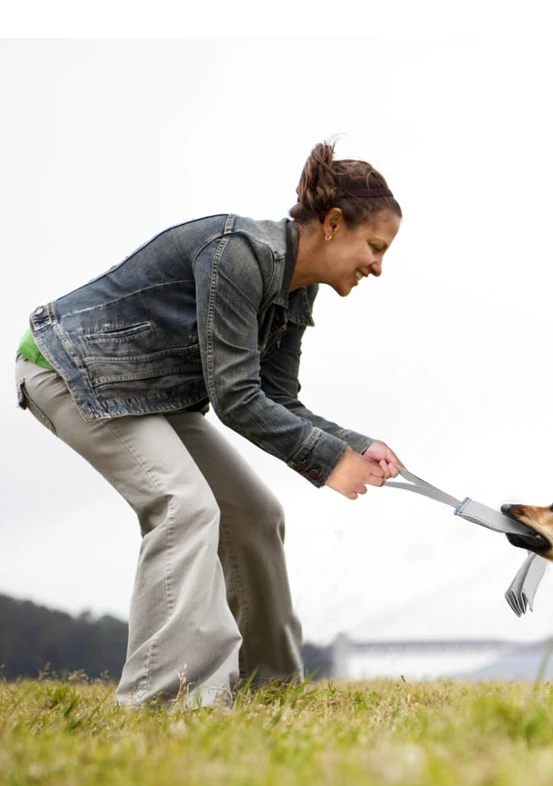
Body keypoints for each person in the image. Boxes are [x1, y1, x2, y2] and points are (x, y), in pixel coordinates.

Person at [13, 140, 403, 708]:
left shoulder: (297, 293)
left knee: (255, 513)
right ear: (334, 224)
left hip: (150, 394)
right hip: (71, 369)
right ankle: (162, 699)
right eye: (375, 247)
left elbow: (277, 399)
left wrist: (356, 446)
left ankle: (270, 689)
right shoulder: (238, 253)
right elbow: (236, 400)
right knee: (184, 504)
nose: (379, 267)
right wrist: (326, 462)